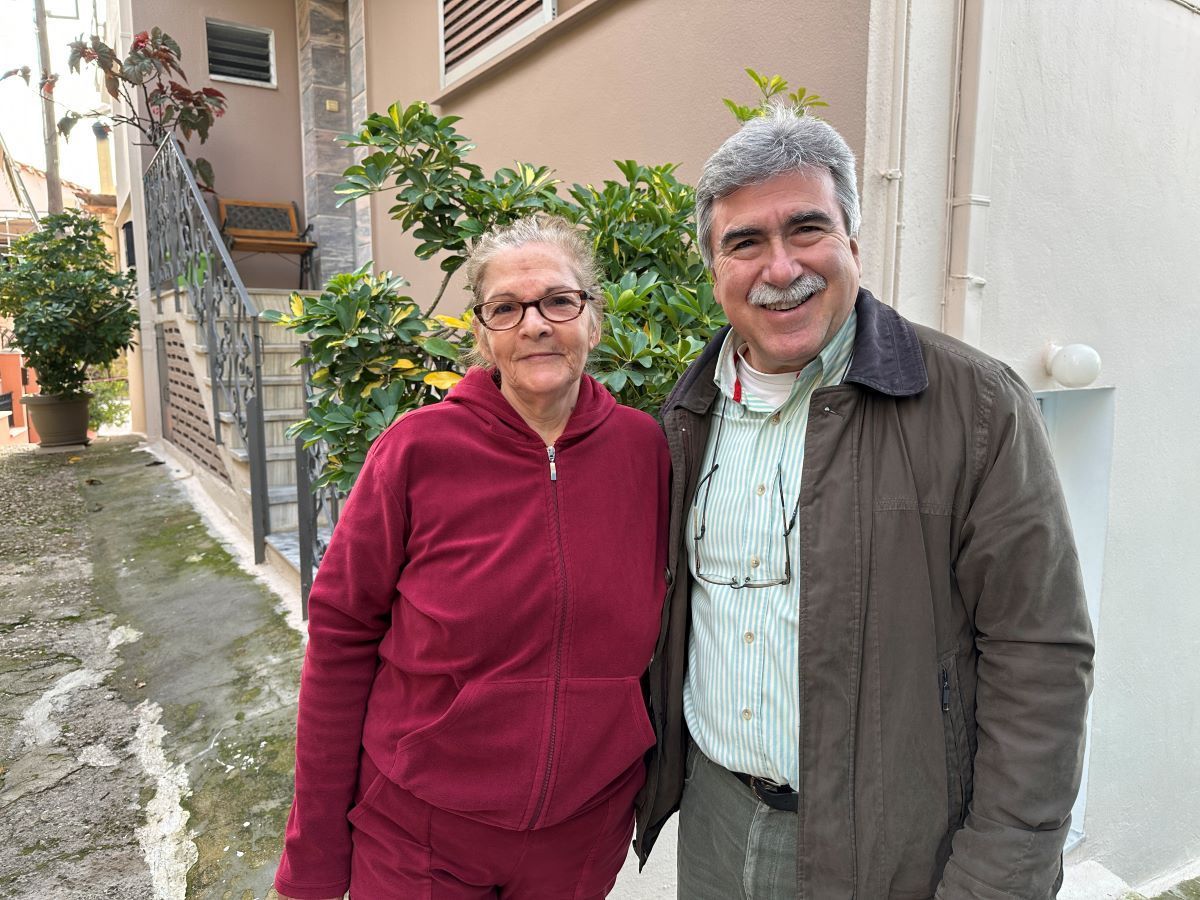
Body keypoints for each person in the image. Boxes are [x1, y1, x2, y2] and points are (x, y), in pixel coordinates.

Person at [633, 106, 1095, 898]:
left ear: (852, 242)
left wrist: (998, 878)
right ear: (714, 271)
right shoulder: (686, 416)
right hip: (715, 823)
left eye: (806, 229)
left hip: (894, 847)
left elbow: (1040, 657)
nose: (781, 268)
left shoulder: (978, 407)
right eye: (745, 242)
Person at [275, 215, 670, 899]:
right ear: (483, 335)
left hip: (581, 837)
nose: (535, 325)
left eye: (559, 300)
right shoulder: (416, 451)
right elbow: (341, 641)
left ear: (594, 319)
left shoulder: (647, 452)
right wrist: (313, 859)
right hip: (421, 836)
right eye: (506, 308)